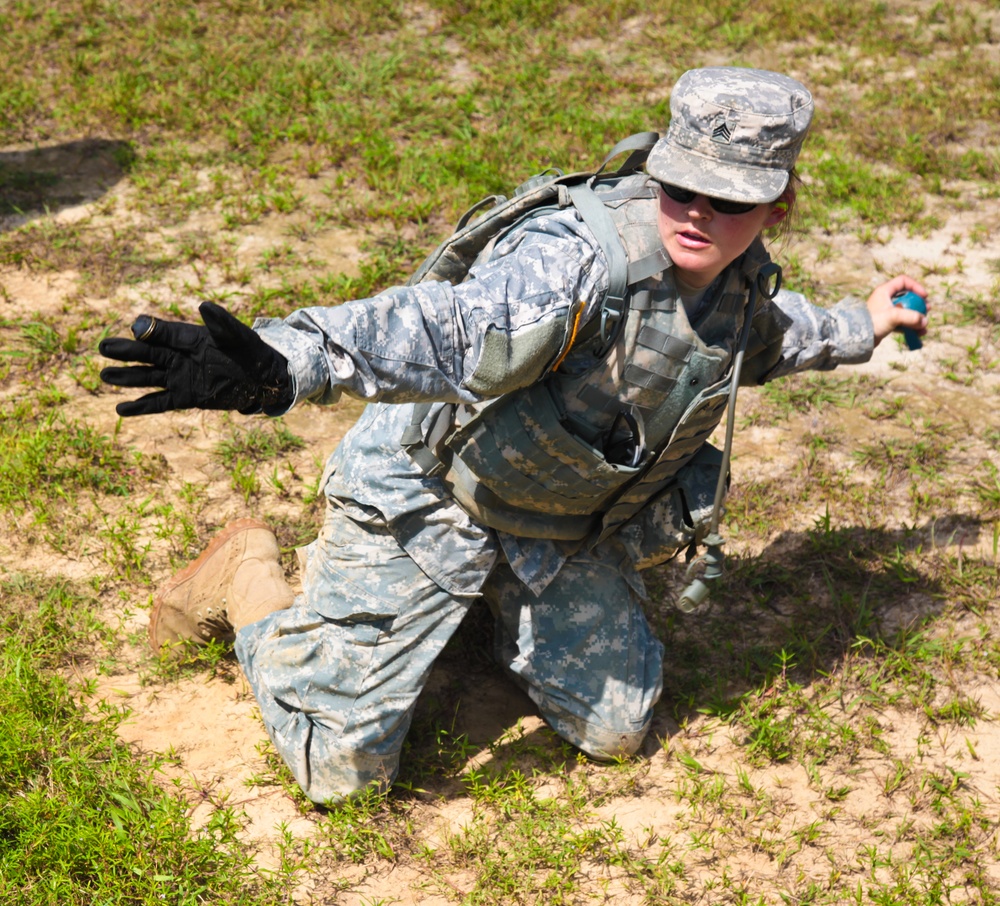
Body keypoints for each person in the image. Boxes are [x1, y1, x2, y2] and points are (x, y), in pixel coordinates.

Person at [99, 66, 929, 805]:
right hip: (433, 496)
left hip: (557, 526)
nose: (699, 215)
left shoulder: (740, 287)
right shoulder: (576, 260)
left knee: (617, 730)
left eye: (732, 201)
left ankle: (493, 599)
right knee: (339, 771)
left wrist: (869, 321)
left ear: (778, 204)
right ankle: (248, 575)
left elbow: (777, 338)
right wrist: (290, 360)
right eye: (680, 189)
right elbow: (450, 328)